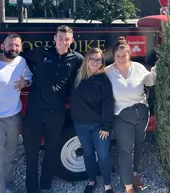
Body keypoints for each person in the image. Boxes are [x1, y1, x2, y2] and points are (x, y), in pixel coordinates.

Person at [22, 25, 83, 193]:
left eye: (66, 39)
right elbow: (19, 60)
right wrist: (24, 80)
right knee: (31, 151)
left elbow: (90, 73)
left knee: (51, 150)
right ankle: (32, 188)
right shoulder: (41, 52)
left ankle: (46, 185)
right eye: (60, 38)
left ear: (72, 40)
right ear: (54, 39)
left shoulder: (77, 59)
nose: (63, 42)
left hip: (56, 113)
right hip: (34, 111)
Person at [105, 37, 156, 193]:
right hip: (122, 116)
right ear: (114, 56)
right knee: (126, 150)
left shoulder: (138, 67)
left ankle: (135, 174)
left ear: (129, 55)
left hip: (141, 112)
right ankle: (128, 186)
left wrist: (157, 68)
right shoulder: (108, 72)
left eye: (124, 56)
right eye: (118, 56)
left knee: (139, 145)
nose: (121, 59)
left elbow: (150, 81)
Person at [70, 48, 114, 193]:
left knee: (103, 155)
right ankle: (91, 180)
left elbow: (108, 104)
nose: (95, 62)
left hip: (99, 126)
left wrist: (106, 126)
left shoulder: (103, 80)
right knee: (88, 153)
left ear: (102, 62)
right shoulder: (77, 77)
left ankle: (107, 185)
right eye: (92, 59)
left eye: (98, 59)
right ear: (86, 60)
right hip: (81, 125)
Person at [0, 34, 32, 193]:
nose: (13, 48)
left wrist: (25, 82)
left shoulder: (21, 61)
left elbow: (29, 76)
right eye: (10, 45)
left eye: (17, 46)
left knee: (10, 157)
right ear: (2, 46)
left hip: (13, 117)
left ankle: (8, 187)